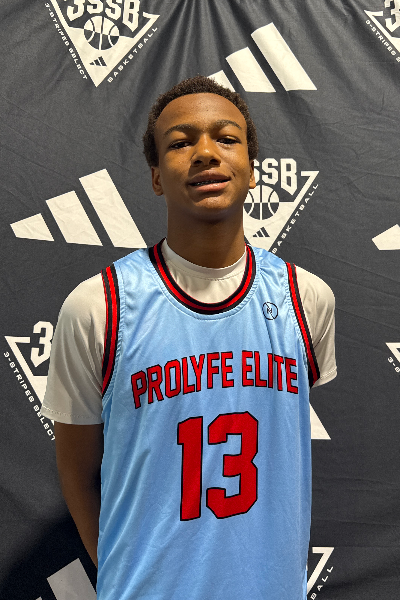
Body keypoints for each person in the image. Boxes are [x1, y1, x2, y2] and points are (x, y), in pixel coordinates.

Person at [41, 75, 336, 600]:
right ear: (156, 177)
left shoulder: (306, 298)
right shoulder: (98, 306)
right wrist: (125, 575)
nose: (205, 153)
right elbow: (79, 472)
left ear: (252, 168)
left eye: (226, 138)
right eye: (180, 143)